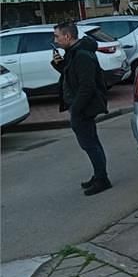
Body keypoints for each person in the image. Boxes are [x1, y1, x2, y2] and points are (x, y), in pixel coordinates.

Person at [52, 22, 111, 196]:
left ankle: (102, 179)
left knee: (90, 144)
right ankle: (99, 174)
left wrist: (76, 109)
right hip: (79, 106)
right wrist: (59, 65)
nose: (55, 40)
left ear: (67, 36)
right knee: (90, 143)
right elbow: (71, 75)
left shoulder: (82, 55)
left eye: (57, 36)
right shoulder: (73, 53)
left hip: (83, 108)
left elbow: (87, 86)